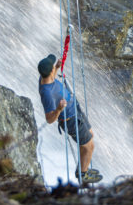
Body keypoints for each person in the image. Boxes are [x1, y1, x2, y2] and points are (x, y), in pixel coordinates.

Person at [38, 53, 102, 184]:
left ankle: (82, 166)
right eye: (52, 67)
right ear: (49, 72)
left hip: (74, 109)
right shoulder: (47, 94)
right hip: (70, 120)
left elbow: (52, 76)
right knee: (89, 146)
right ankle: (83, 175)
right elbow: (49, 119)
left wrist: (56, 67)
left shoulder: (44, 78)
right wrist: (58, 110)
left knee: (90, 135)